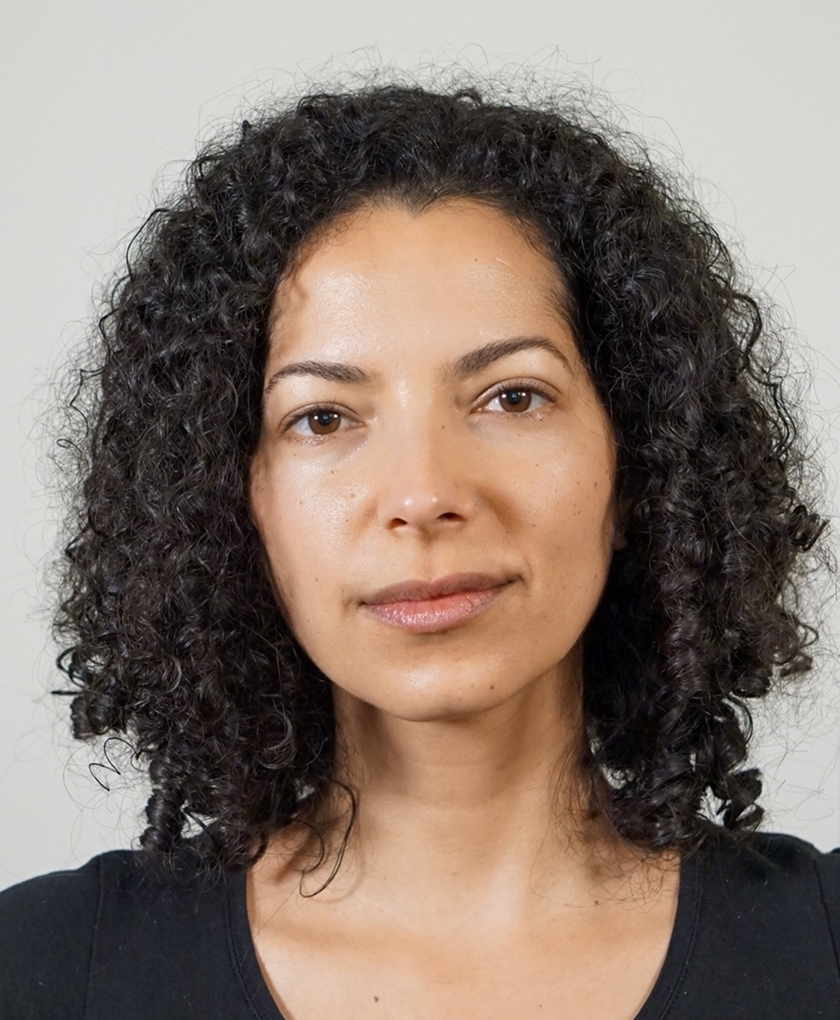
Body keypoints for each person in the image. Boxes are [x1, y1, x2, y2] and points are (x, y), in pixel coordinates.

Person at [1, 77, 838, 1020]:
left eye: (512, 397)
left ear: (638, 458)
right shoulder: (40, 969)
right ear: (234, 501)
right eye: (323, 417)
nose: (424, 494)